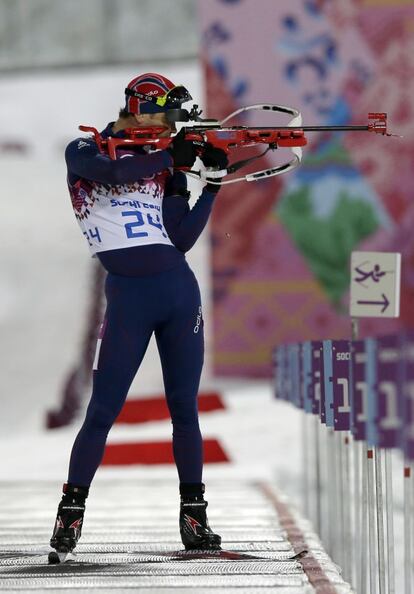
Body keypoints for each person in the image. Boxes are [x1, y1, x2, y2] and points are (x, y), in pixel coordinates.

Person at [49, 72, 228, 557]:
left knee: (184, 409)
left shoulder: (162, 165)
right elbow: (112, 175)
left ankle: (194, 518)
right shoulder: (85, 152)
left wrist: (209, 186)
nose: (170, 123)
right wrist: (173, 154)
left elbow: (181, 237)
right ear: (138, 107)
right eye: (164, 113)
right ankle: (70, 516)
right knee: (102, 410)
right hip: (128, 297)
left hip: (176, 291)